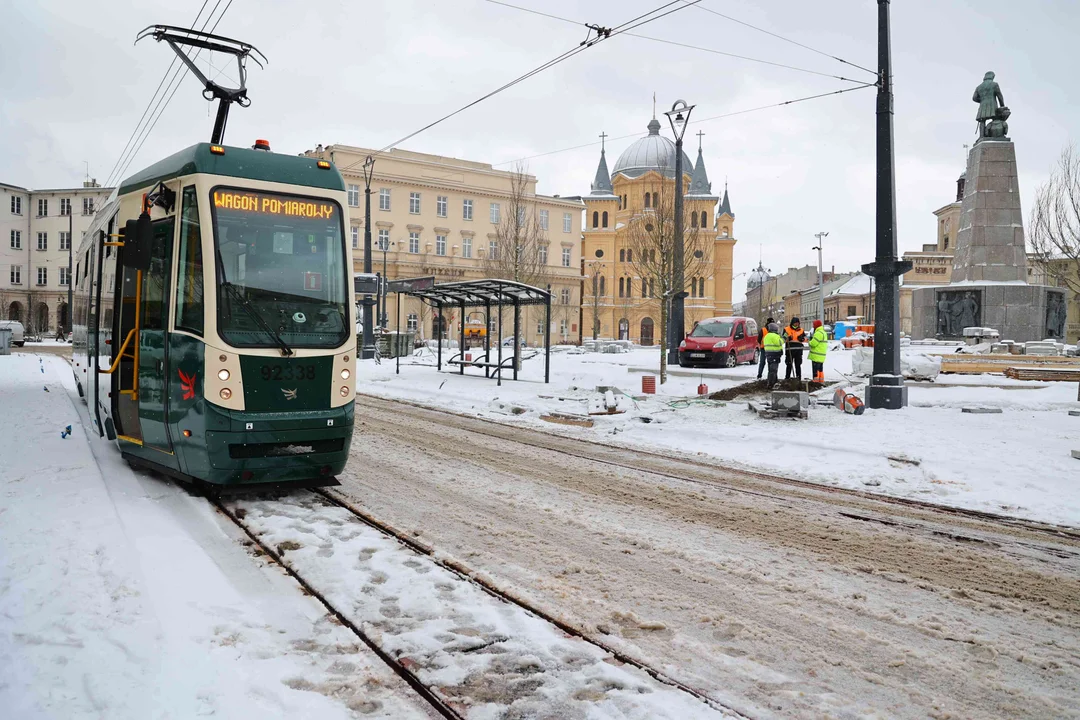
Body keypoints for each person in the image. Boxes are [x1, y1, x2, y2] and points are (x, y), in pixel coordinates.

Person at [762, 322, 784, 387]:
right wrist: (784, 338)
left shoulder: (766, 336)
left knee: (770, 370)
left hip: (769, 355)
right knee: (774, 370)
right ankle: (772, 383)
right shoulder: (774, 336)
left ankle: (770, 382)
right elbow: (779, 342)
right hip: (775, 354)